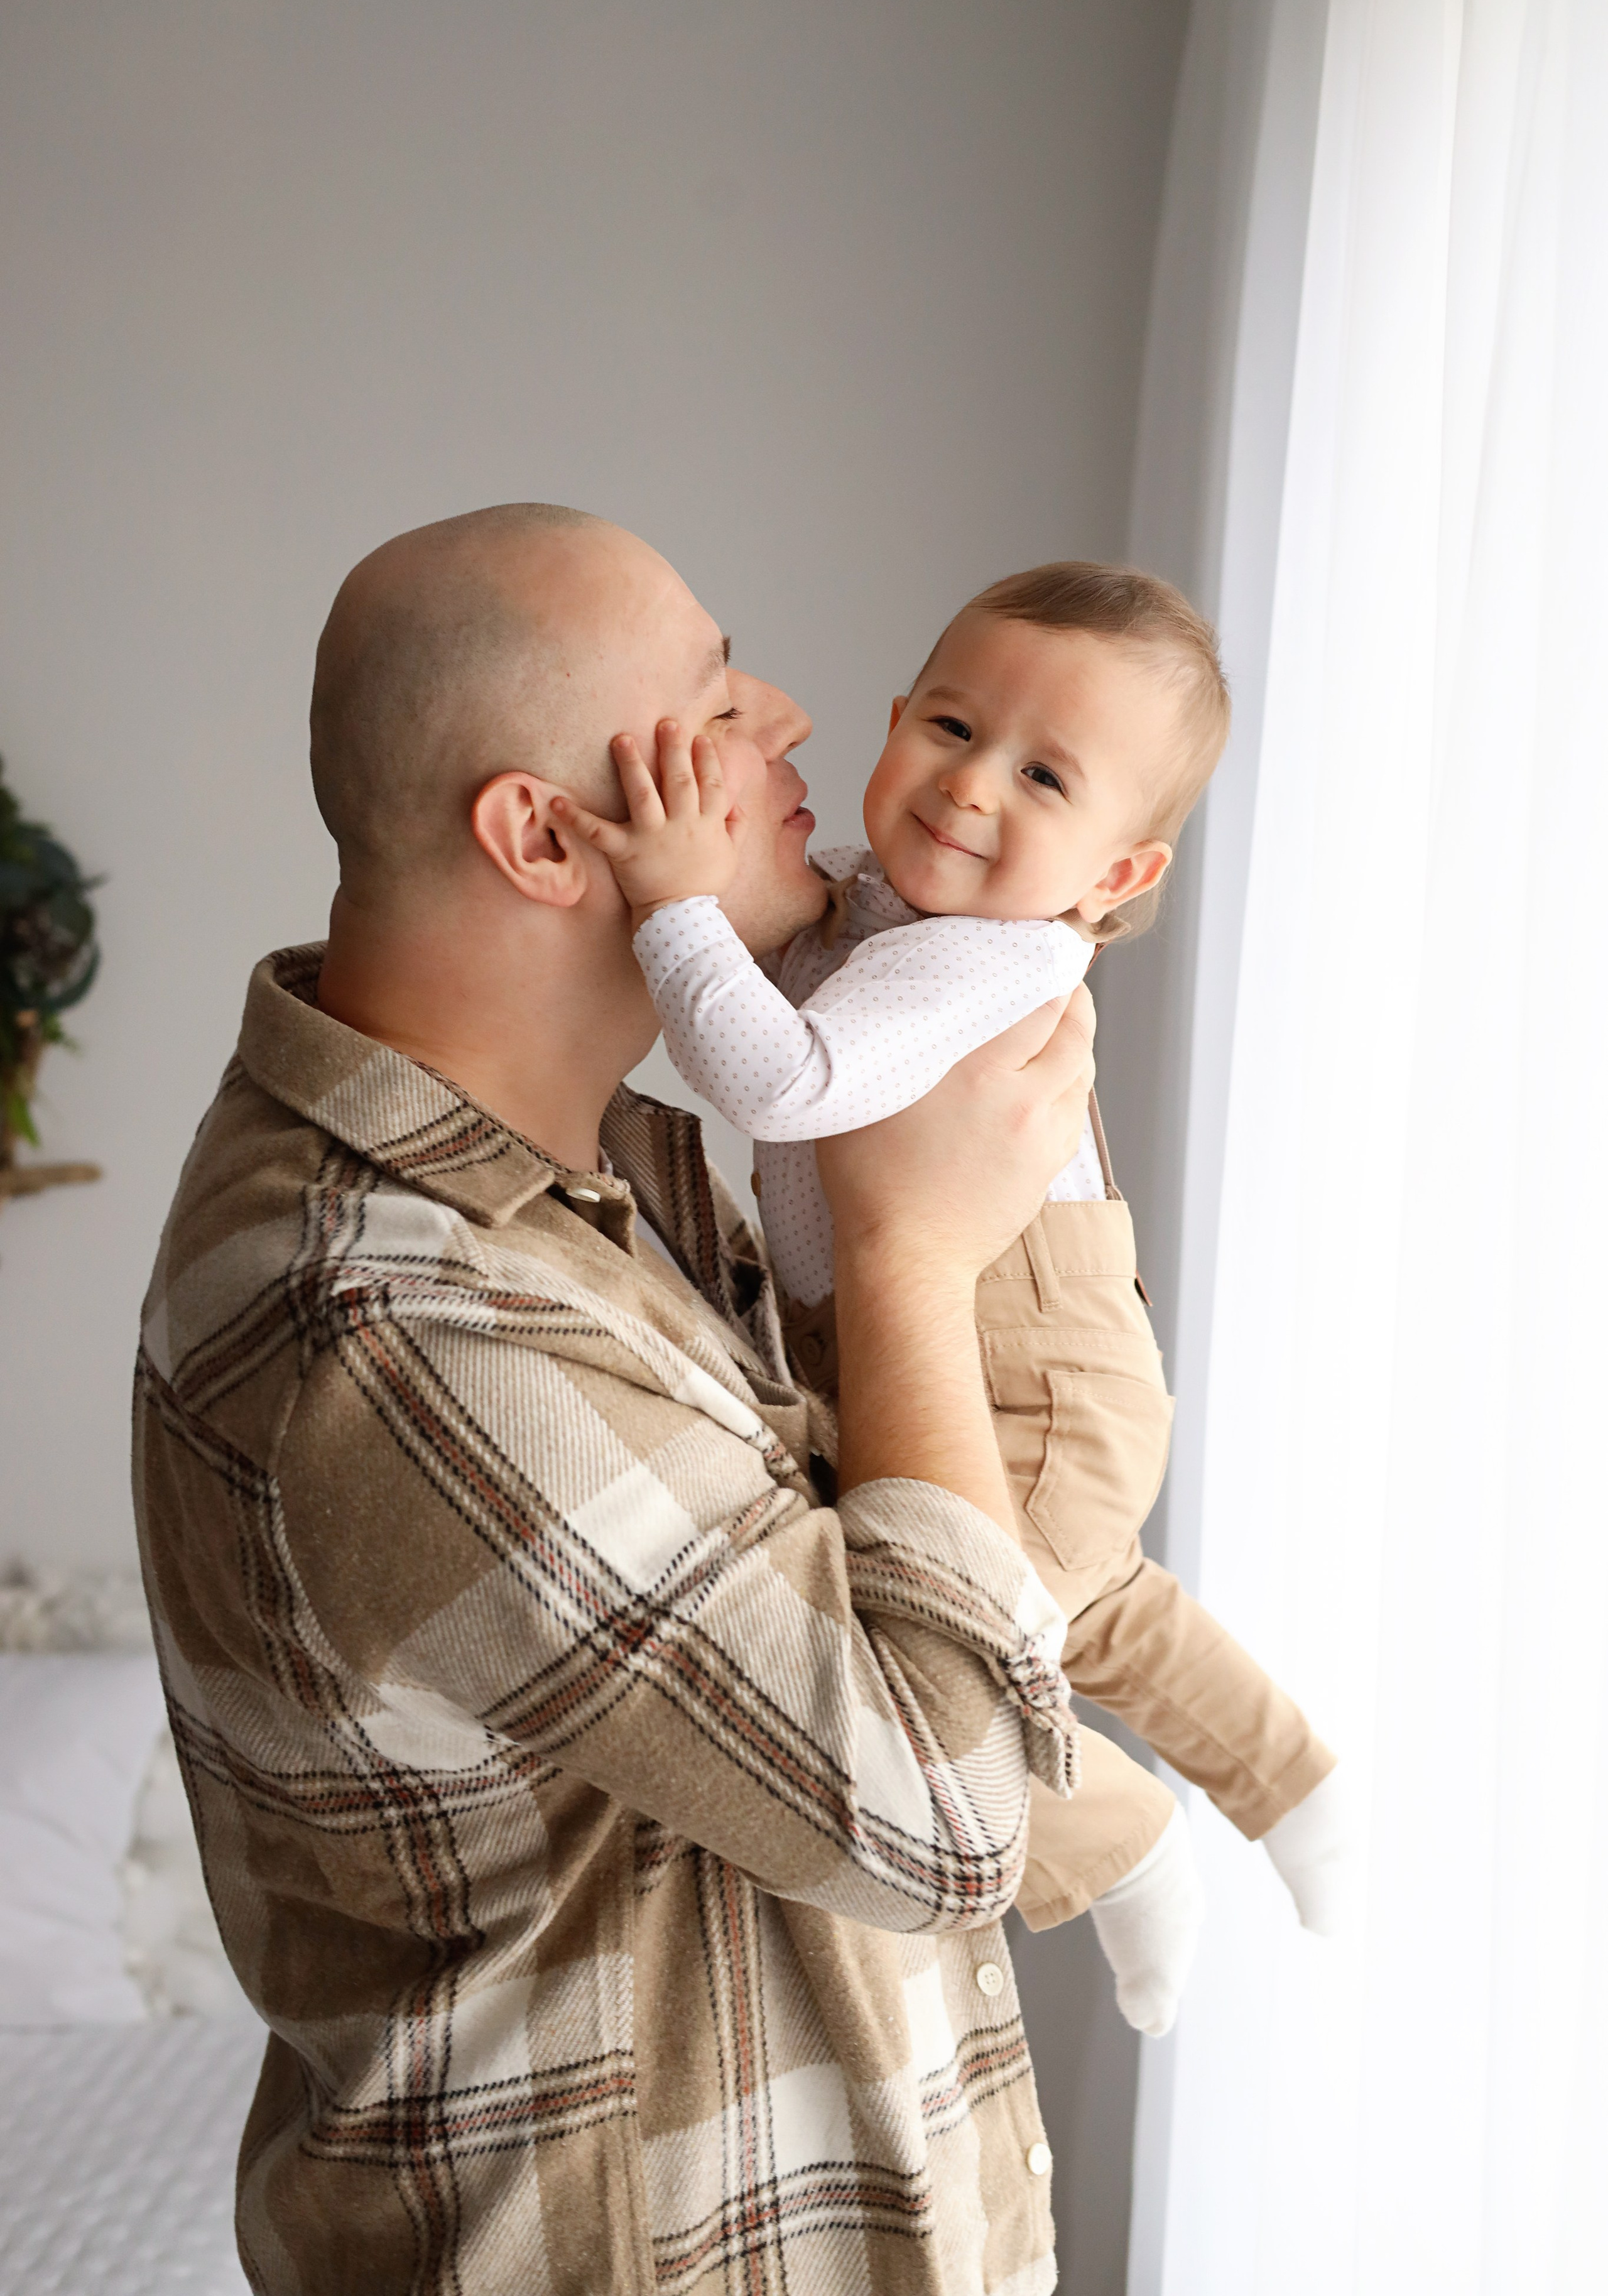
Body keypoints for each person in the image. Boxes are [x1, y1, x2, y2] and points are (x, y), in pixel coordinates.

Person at [134, 503, 1140, 2295]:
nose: (800, 723)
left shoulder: (599, 1183)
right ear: (539, 837)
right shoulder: (394, 1317)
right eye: (711, 702)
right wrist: (911, 1260)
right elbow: (949, 1812)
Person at [558, 560, 1346, 2031]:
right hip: (975, 1362)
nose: (970, 787)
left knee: (970, 1656)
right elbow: (783, 977)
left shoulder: (984, 964)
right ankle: (1300, 1794)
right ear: (895, 719)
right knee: (1095, 1600)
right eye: (949, 727)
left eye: (1043, 775)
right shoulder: (881, 917)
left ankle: (1123, 1841)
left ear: (1115, 877)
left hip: (1025, 1378)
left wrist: (670, 897)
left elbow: (780, 1077)